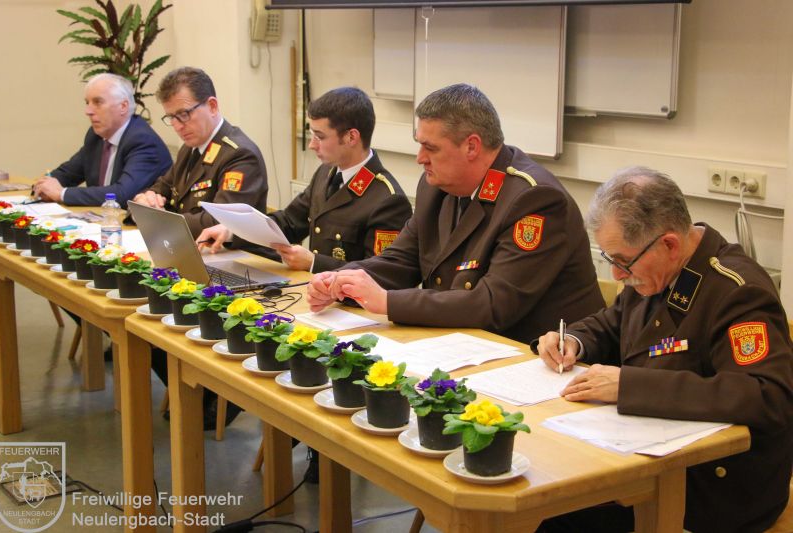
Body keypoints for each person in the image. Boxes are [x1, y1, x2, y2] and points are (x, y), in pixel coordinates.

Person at [536, 167, 793, 533]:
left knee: (553, 511)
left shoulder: (736, 291)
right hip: (652, 456)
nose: (617, 275)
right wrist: (573, 340)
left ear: (669, 244)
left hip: (718, 488)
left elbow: (766, 394)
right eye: (611, 260)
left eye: (622, 261)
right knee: (546, 481)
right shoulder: (655, 271)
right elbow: (612, 324)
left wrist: (629, 386)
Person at [307, 83, 604, 344]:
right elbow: (402, 259)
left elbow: (493, 304)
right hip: (467, 346)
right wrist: (340, 280)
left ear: (471, 146)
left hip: (537, 360)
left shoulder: (534, 199)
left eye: (430, 148)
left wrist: (386, 301)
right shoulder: (436, 186)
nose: (420, 158)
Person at [197, 86, 412, 273]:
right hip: (316, 293)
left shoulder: (386, 199)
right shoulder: (326, 173)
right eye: (312, 135)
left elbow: (382, 273)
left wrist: (314, 263)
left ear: (351, 137)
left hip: (352, 305)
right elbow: (289, 222)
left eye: (320, 136)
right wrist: (232, 231)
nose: (311, 145)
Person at [131, 66, 268, 238]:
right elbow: (161, 188)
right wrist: (144, 201)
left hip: (235, 252)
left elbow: (221, 221)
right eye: (171, 117)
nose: (177, 126)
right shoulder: (190, 148)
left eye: (184, 114)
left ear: (212, 106)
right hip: (190, 245)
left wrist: (157, 220)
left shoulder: (240, 155)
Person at [33, 73, 172, 207]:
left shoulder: (143, 141)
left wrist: (62, 194)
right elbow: (69, 172)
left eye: (97, 102)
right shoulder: (96, 136)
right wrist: (44, 185)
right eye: (87, 103)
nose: (88, 111)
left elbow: (123, 194)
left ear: (123, 106)